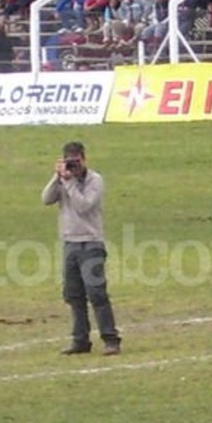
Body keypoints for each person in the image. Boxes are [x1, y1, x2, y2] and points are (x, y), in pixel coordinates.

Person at [41, 141, 121, 356]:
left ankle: (111, 339)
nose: (74, 166)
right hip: (70, 243)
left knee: (96, 293)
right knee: (73, 294)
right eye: (70, 161)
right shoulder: (64, 179)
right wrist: (57, 177)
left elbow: (84, 206)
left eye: (76, 161)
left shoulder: (95, 180)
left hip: (91, 243)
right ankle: (80, 340)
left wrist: (69, 183)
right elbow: (46, 199)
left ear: (84, 159)